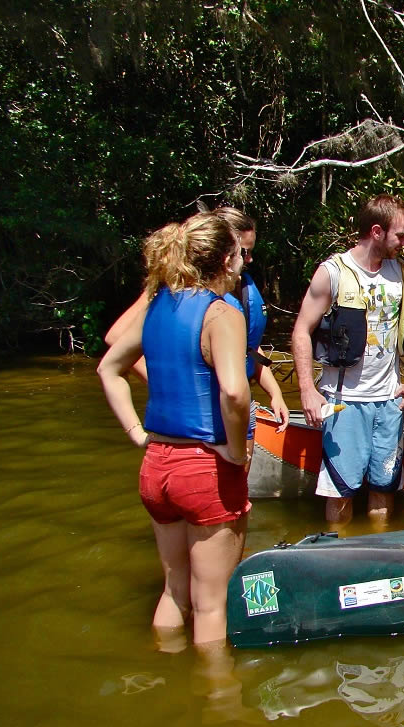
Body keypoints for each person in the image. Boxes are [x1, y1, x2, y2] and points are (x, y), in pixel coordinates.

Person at [98, 212, 250, 646]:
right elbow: (235, 393)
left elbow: (109, 368)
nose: (243, 260)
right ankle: (218, 702)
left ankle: (165, 677)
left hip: (156, 466)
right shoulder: (222, 312)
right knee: (211, 603)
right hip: (204, 470)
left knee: (174, 591)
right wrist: (236, 453)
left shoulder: (156, 305)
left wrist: (136, 432)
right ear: (226, 260)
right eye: (239, 252)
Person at [104, 207, 289, 457]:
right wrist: (166, 382)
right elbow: (116, 337)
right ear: (225, 249)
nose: (249, 260)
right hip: (202, 419)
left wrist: (274, 392)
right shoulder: (176, 291)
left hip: (233, 410)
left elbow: (248, 348)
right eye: (244, 252)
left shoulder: (240, 290)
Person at [291, 194, 404, 525]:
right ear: (377, 231)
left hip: (389, 402)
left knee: (384, 487)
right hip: (344, 401)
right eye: (400, 235)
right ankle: (338, 559)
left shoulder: (402, 273)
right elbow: (301, 331)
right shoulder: (332, 273)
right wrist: (307, 389)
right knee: (340, 490)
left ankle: (378, 555)